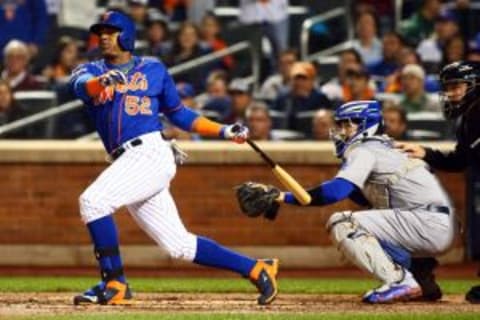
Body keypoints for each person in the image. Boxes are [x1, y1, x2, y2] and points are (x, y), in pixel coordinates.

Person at [69, 11, 279, 306]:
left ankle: (115, 283)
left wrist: (223, 130)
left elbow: (179, 113)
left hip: (150, 152)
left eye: (111, 31)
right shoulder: (89, 69)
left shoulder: (153, 68)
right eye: (100, 31)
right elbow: (82, 87)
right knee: (179, 246)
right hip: (127, 160)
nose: (104, 36)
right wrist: (102, 81)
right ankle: (257, 269)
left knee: (93, 202)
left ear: (126, 34)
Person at [237, 100, 455, 303]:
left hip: (425, 223)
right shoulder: (385, 148)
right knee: (372, 217)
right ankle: (422, 279)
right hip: (436, 222)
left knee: (342, 222)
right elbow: (359, 197)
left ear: (365, 125)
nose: (340, 131)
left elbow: (334, 193)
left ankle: (400, 281)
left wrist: (282, 196)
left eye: (346, 125)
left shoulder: (364, 149)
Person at [396, 61, 480, 303]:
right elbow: (460, 160)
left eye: (457, 86)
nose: (452, 93)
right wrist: (426, 153)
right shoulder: (469, 116)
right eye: (448, 87)